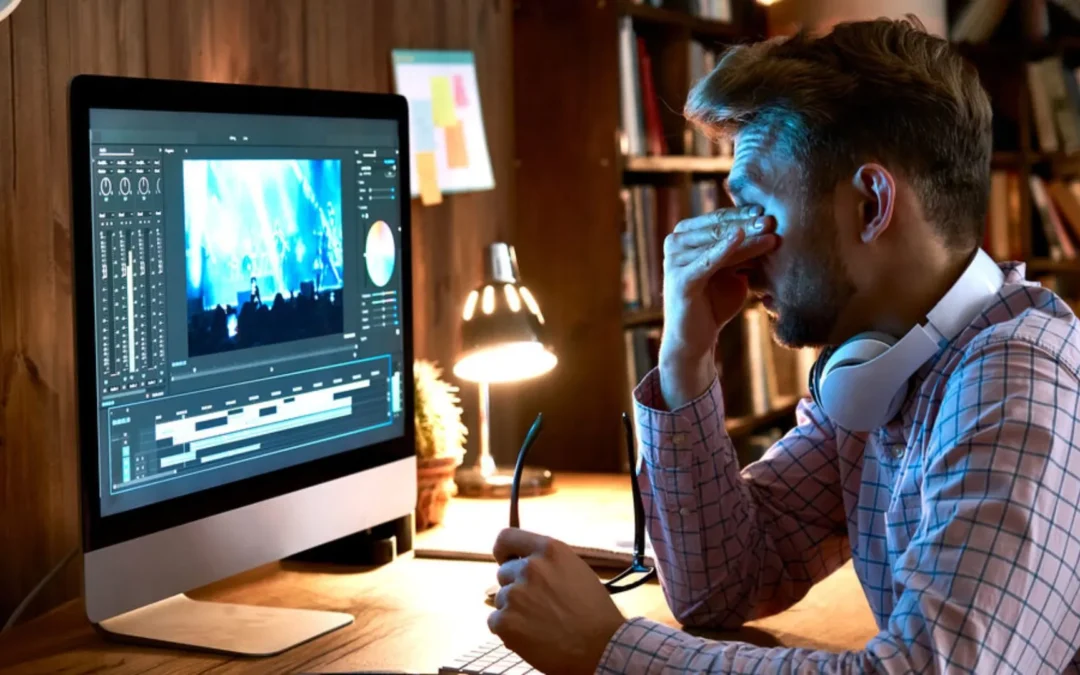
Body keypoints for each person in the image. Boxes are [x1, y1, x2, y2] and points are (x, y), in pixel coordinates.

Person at [486, 15, 1080, 674]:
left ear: (870, 205)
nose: (735, 249)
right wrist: (686, 353)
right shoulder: (878, 368)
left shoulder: (1016, 379)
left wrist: (607, 649)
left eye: (755, 208)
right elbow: (721, 584)